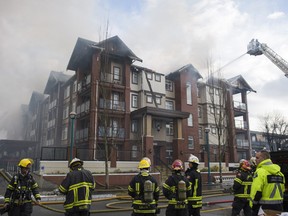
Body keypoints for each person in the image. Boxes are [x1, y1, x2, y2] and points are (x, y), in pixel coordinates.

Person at [250, 150, 285, 216]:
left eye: (257, 158)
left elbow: (256, 191)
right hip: (279, 207)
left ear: (263, 159)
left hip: (264, 208)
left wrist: (252, 206)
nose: (255, 160)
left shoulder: (260, 172)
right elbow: (282, 190)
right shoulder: (280, 174)